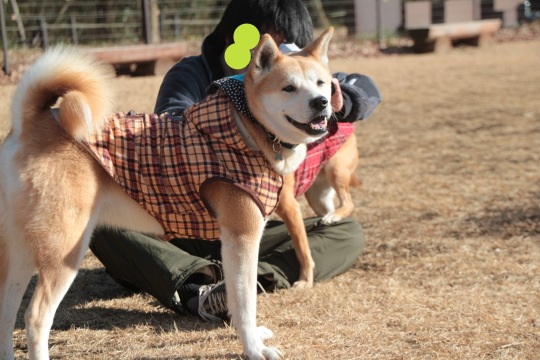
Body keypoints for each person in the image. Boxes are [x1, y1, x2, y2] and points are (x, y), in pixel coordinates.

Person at [90, 0, 381, 322]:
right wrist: (238, 113)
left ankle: (248, 280)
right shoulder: (192, 71)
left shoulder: (305, 78)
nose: (277, 54)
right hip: (176, 224)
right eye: (267, 47)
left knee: (347, 232)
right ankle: (193, 285)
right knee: (102, 215)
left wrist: (341, 98)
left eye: (289, 44)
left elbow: (364, 88)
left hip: (250, 226)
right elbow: (170, 122)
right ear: (234, 38)